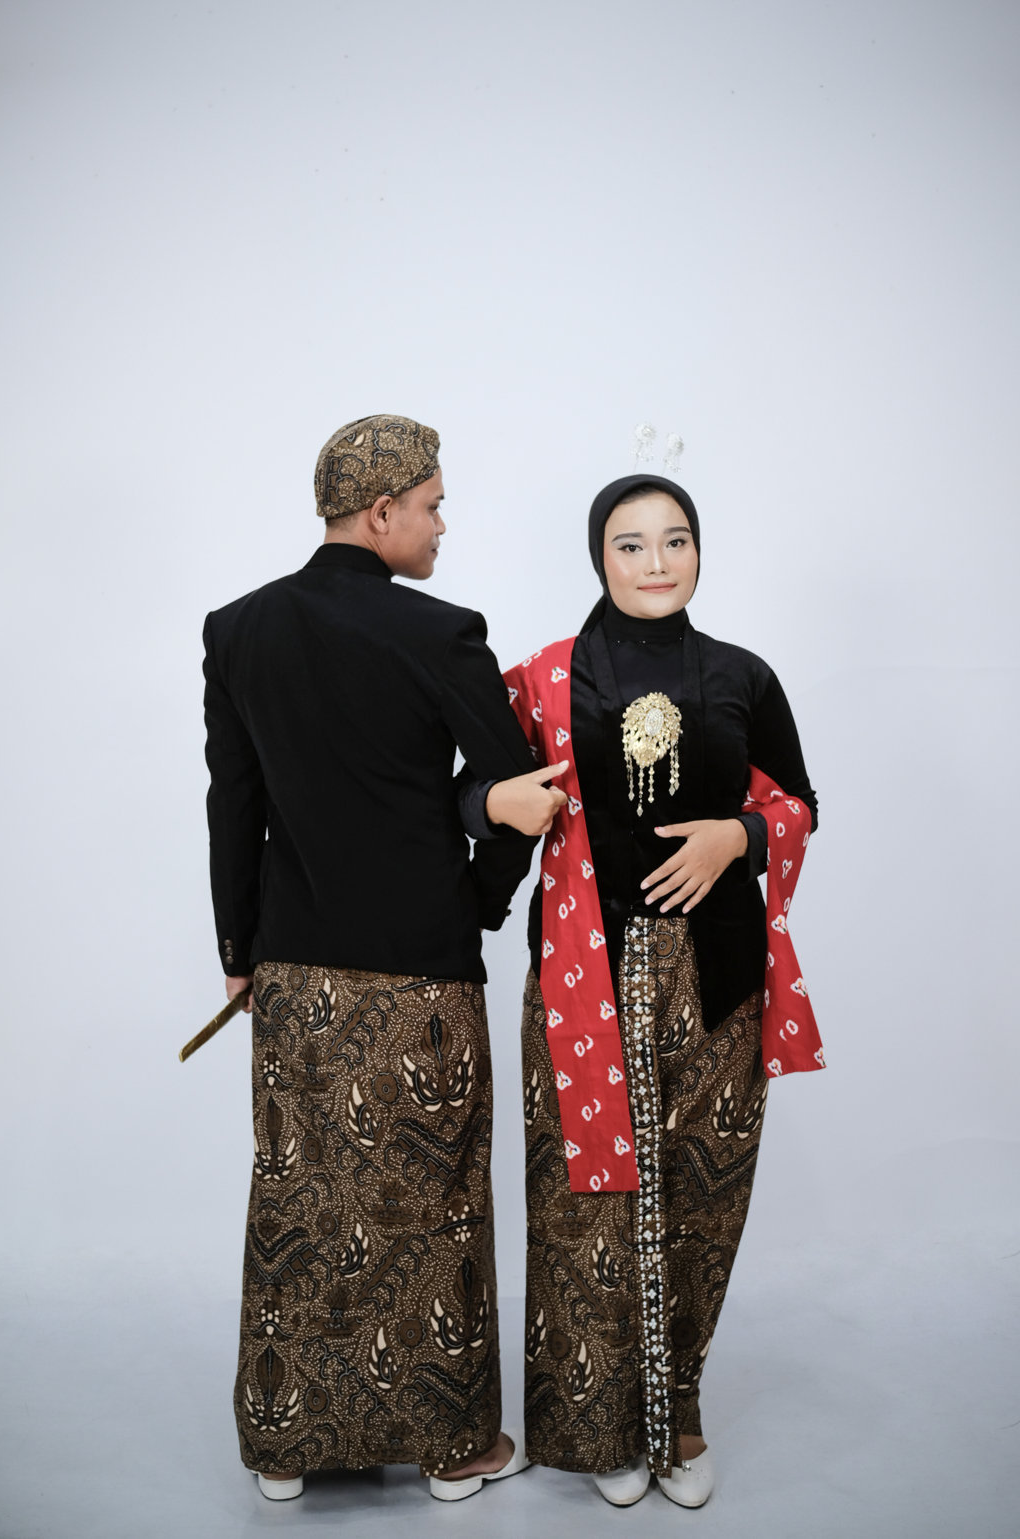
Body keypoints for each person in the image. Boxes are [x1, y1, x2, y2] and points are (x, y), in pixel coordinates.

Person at [202, 414, 564, 1503]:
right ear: (382, 510)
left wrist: (238, 949)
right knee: (433, 1201)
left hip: (293, 967)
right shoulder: (441, 632)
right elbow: (524, 793)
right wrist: (475, 903)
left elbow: (235, 805)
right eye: (434, 505)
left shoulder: (237, 628)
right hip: (421, 972)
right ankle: (453, 1451)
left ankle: (285, 1447)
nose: (443, 525)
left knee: (298, 1199)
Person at [470, 474, 823, 1509]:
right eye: (631, 544)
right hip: (585, 974)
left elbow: (800, 803)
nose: (657, 562)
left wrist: (738, 836)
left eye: (676, 540)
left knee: (705, 1195)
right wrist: (484, 818)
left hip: (716, 975)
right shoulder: (542, 679)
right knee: (585, 1203)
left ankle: (681, 1408)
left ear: (700, 552)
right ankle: (598, 1426)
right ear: (599, 557)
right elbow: (482, 797)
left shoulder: (744, 676)